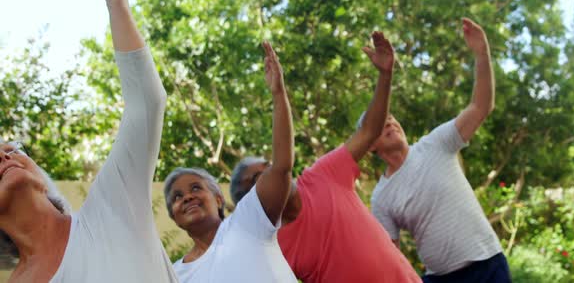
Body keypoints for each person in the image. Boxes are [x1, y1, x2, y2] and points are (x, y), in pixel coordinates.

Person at [0, 0, 177, 282]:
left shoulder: (113, 210)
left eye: (13, 147)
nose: (6, 152)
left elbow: (146, 104)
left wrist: (116, 2)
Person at [231, 32, 421, 283]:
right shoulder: (273, 249)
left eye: (268, 166)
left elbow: (368, 131)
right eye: (257, 178)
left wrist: (385, 75)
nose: (271, 172)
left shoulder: (323, 174)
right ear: (254, 205)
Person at [367, 18, 511, 282]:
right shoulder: (381, 198)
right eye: (380, 121)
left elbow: (481, 106)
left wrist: (482, 53)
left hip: (488, 265)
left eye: (391, 116)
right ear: (369, 144)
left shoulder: (435, 143)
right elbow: (390, 256)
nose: (388, 120)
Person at [164, 42, 297, 283]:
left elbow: (281, 166)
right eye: (177, 197)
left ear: (218, 198)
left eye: (196, 188)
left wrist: (278, 94)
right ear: (174, 218)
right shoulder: (175, 275)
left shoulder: (247, 222)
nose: (187, 197)